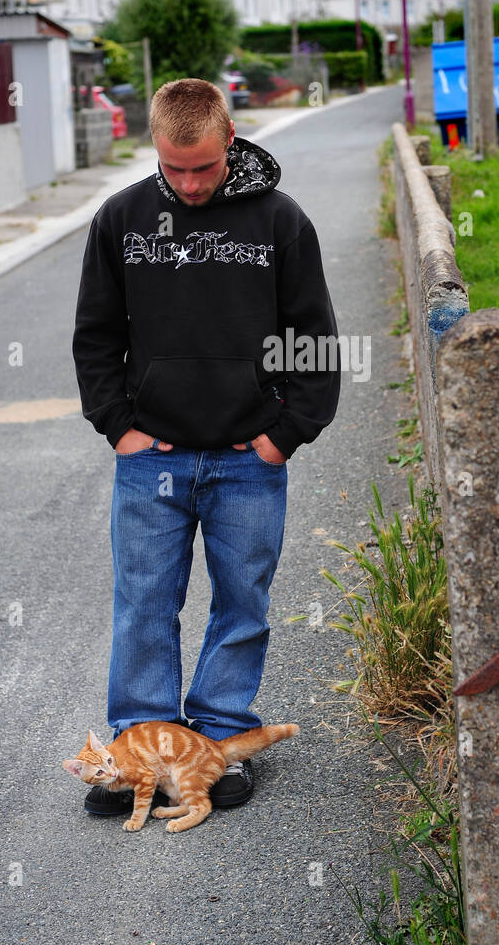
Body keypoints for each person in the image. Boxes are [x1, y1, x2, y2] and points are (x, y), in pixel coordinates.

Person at [72, 77, 340, 812]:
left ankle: (219, 742)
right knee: (144, 605)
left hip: (245, 462)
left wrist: (284, 436)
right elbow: (95, 336)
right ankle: (141, 752)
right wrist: (118, 427)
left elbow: (311, 339)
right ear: (153, 147)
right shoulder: (121, 219)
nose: (188, 184)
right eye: (172, 168)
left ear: (230, 138)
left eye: (203, 166)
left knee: (241, 604)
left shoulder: (280, 222)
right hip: (150, 459)